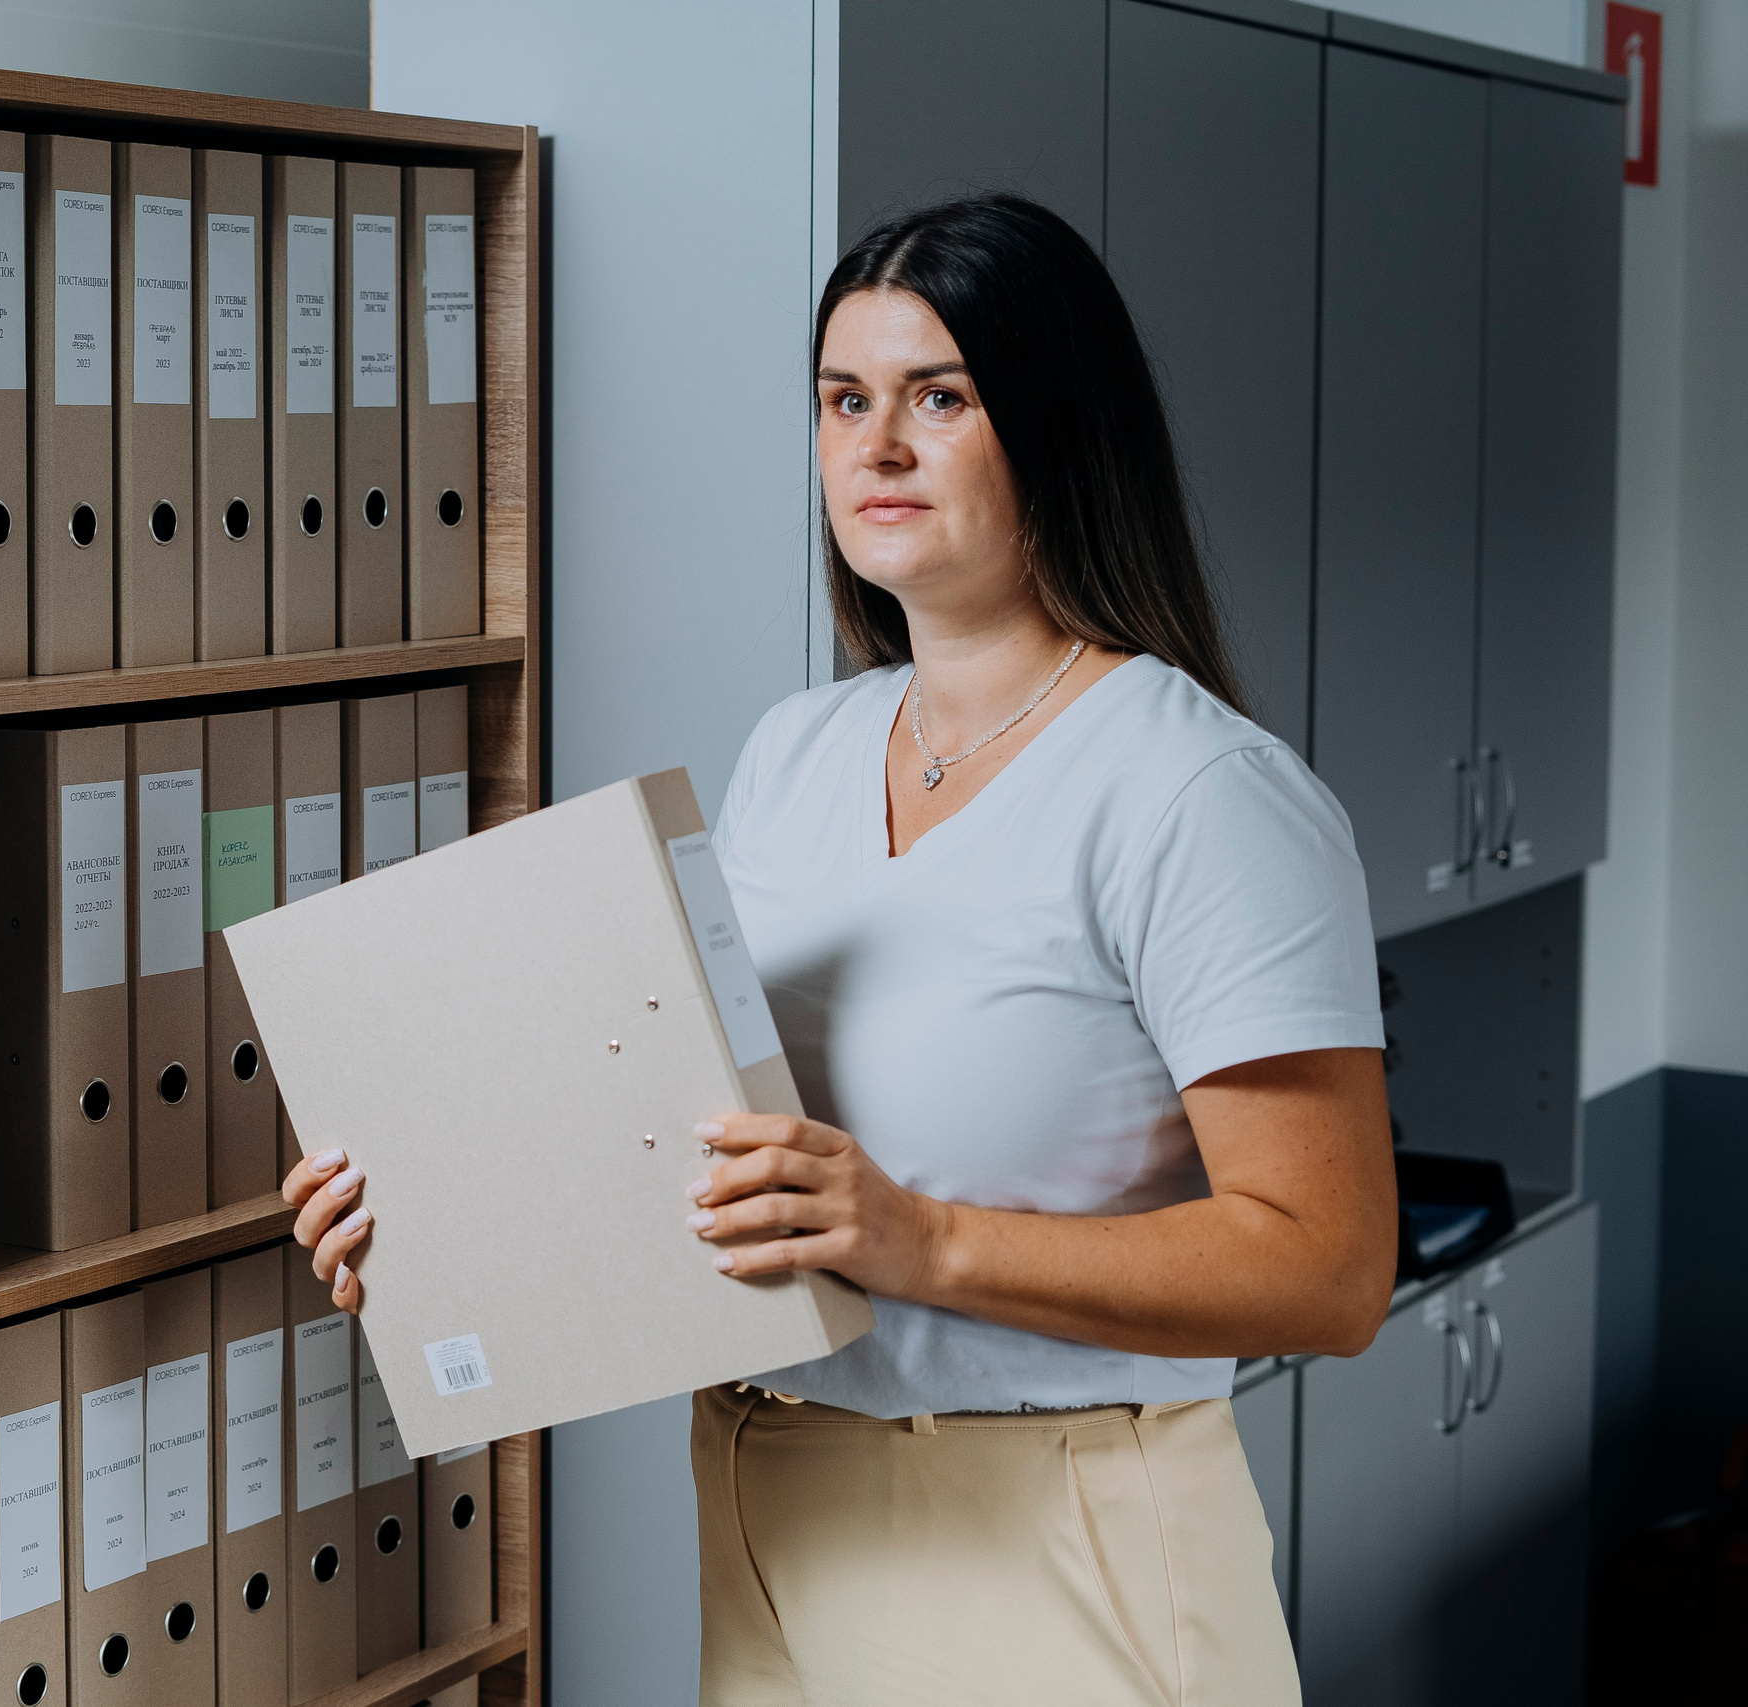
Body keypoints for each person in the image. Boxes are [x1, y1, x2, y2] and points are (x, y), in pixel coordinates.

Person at [283, 193, 1395, 1705]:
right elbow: (690, 1138)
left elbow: (1329, 1267)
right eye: (843, 401)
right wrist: (434, 1214)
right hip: (769, 1499)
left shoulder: (1198, 794)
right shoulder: (796, 754)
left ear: (1060, 426)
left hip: (1045, 1537)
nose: (877, 449)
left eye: (940, 398)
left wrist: (921, 1240)